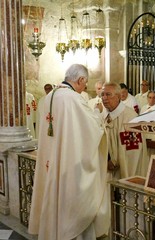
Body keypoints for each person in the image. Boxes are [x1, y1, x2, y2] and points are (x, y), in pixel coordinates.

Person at [28, 64, 109, 240]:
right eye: (85, 83)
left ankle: (53, 233)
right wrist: (97, 112)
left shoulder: (50, 96)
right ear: (80, 80)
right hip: (67, 162)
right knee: (69, 196)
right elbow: (90, 128)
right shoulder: (73, 99)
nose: (84, 87)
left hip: (51, 159)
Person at [100, 82, 148, 179]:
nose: (104, 98)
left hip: (122, 171)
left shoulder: (130, 118)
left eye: (108, 94)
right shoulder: (102, 115)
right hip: (104, 168)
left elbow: (132, 153)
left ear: (118, 97)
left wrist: (114, 161)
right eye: (102, 94)